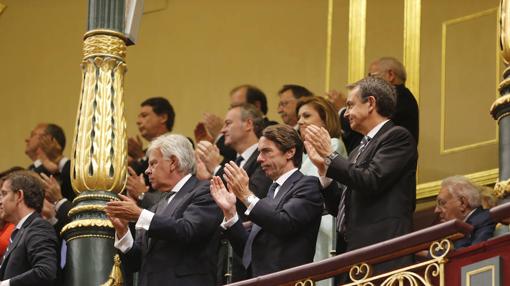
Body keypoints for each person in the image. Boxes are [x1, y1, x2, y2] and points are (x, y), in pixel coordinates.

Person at [304, 76, 418, 273]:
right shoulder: (357, 150)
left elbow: (371, 180)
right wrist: (324, 171)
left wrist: (331, 156)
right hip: (355, 249)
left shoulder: (397, 137)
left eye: (350, 105)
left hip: (385, 246)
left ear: (371, 103)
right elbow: (340, 208)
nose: (346, 113)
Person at [105, 134, 222, 286]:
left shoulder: (205, 190)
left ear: (173, 162)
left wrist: (140, 214)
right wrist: (123, 232)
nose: (147, 171)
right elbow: (136, 262)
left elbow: (187, 229)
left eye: (153, 164)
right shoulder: (156, 206)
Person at [210, 124, 323, 277]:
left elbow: (284, 223)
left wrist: (245, 194)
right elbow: (249, 250)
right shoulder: (271, 192)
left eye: (266, 151)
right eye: (259, 152)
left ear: (290, 152)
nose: (259, 159)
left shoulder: (308, 184)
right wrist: (230, 213)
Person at [196, 104, 273, 283]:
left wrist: (216, 168)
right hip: (225, 250)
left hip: (249, 247)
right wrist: (208, 178)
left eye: (228, 123)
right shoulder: (234, 162)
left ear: (248, 124)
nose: (222, 130)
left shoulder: (264, 157)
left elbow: (254, 193)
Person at [296, 96, 347, 285]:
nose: (300, 121)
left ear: (325, 119)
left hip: (325, 221)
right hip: (305, 223)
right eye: (299, 116)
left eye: (307, 115)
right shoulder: (301, 155)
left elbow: (314, 184)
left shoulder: (333, 144)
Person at [337, 57, 419, 154]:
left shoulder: (400, 97)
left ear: (390, 75)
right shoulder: (402, 97)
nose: (370, 81)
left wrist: (342, 108)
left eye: (372, 76)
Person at [0, 171, 59, 285]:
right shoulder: (20, 231)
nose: (0, 201)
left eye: (4, 194)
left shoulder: (38, 227)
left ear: (19, 196)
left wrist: (5, 284)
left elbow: (46, 271)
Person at [195, 84, 278, 165]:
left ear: (256, 105)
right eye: (231, 107)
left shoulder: (271, 129)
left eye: (237, 106)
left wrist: (219, 136)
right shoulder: (237, 150)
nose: (233, 110)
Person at [127, 97, 175, 209]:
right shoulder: (142, 154)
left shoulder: (179, 145)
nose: (138, 121)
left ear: (163, 117)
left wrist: (140, 157)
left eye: (144, 116)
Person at [435, 176, 496, 248]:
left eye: (442, 203)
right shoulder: (456, 230)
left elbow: (475, 253)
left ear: (462, 203)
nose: (436, 210)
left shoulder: (486, 218)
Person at [25, 123, 74, 201]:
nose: (26, 139)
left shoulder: (73, 169)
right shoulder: (32, 169)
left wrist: (56, 157)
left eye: (32, 135)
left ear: (50, 139)